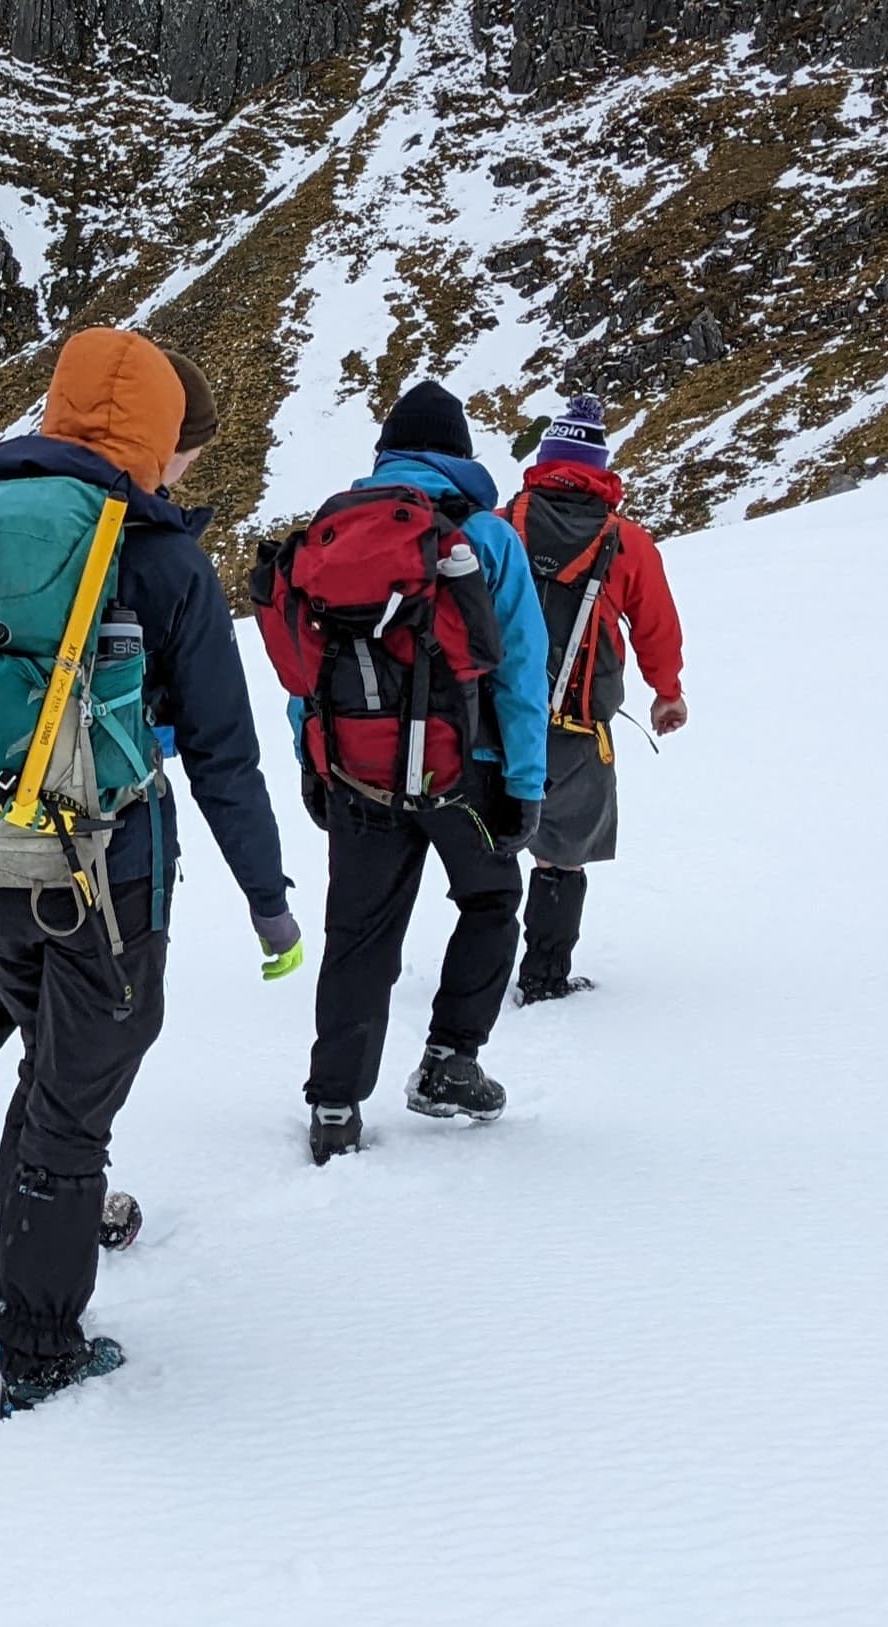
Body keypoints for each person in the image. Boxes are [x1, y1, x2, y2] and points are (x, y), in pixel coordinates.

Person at [0, 329, 297, 1413]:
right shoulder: (154, 554)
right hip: (103, 869)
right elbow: (223, 747)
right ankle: (35, 1342)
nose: (184, 471)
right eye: (181, 448)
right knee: (72, 1097)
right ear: (154, 436)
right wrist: (268, 896)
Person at [298, 379, 548, 1162]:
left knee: (358, 935)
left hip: (357, 772)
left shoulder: (335, 529)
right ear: (462, 455)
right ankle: (450, 1062)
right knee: (490, 898)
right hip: (464, 772)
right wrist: (526, 785)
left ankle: (336, 1106)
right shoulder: (487, 535)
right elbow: (521, 672)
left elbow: (307, 666)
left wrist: (315, 760)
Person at [502, 395, 688, 1000]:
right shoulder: (626, 542)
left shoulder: (502, 526)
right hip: (579, 724)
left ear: (545, 462)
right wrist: (667, 692)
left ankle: (475, 975)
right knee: (563, 856)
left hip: (496, 720)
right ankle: (544, 977)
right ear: (600, 468)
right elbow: (656, 623)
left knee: (491, 847)